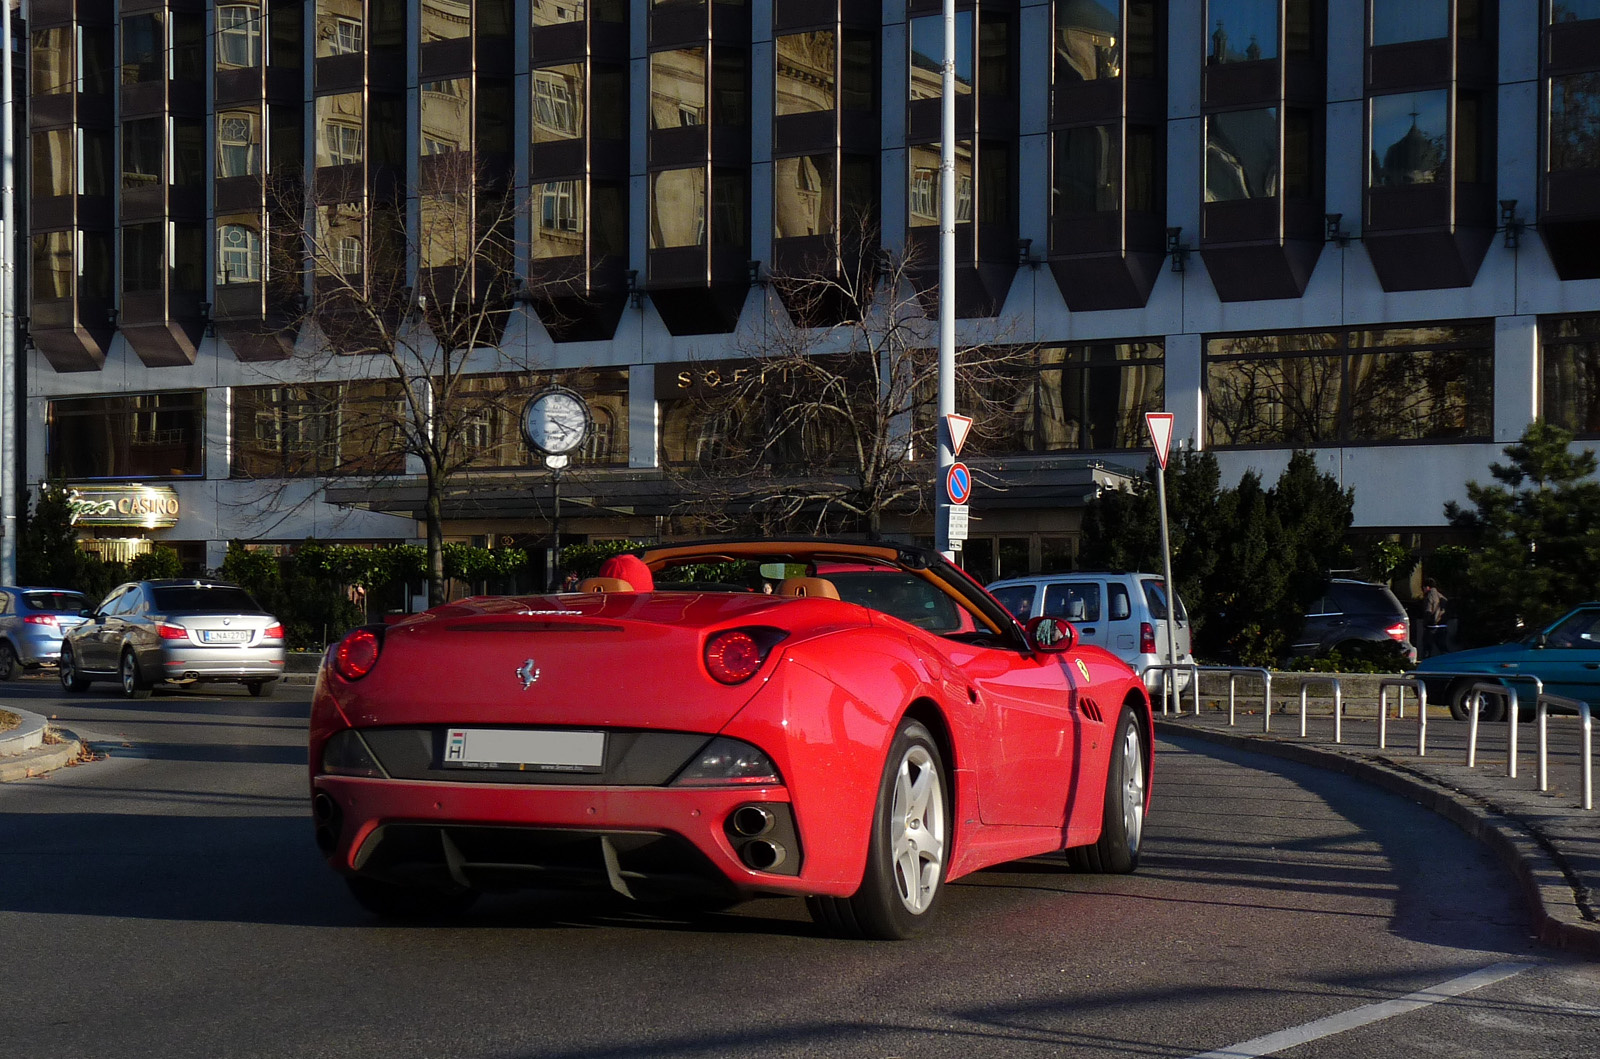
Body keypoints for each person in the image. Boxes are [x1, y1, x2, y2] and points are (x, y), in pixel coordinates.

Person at [1421, 577, 1448, 657]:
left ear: (1427, 587)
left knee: (1427, 647)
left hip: (1432, 626)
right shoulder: (1441, 596)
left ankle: (1426, 664)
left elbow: (1428, 610)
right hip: (1443, 625)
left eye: (1423, 588)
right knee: (1442, 647)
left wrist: (1425, 623)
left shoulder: (1430, 596)